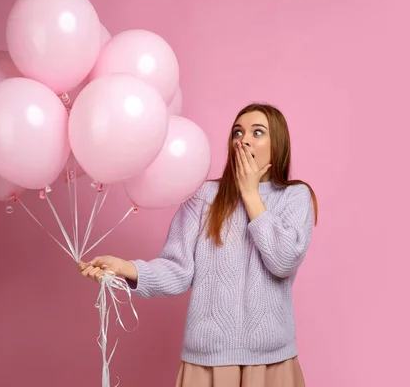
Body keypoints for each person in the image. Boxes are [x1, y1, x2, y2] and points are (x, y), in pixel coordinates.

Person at [79, 103, 319, 386]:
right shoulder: (205, 195)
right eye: (237, 132)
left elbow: (283, 261)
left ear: (277, 142)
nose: (244, 140)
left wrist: (250, 194)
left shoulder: (295, 196)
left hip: (272, 362)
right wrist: (126, 268)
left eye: (258, 132)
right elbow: (178, 269)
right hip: (207, 362)